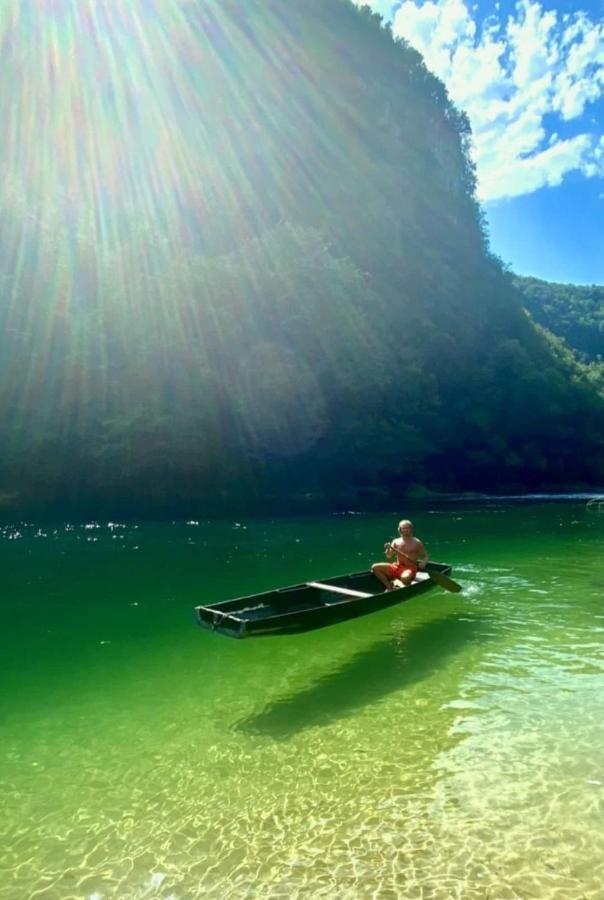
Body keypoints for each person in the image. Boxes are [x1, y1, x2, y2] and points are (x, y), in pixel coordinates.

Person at [371, 519, 428, 591]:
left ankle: (397, 582)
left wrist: (423, 563)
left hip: (409, 568)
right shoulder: (396, 541)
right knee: (375, 567)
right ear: (400, 529)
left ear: (411, 529)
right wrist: (388, 549)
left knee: (405, 578)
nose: (405, 530)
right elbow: (389, 556)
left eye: (407, 528)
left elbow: (426, 556)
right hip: (397, 567)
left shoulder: (417, 542)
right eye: (403, 528)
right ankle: (389, 587)